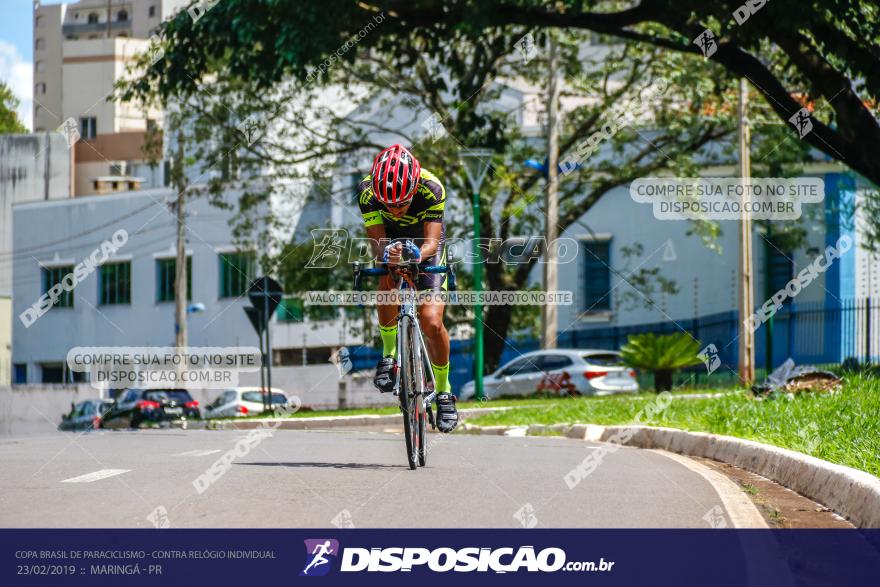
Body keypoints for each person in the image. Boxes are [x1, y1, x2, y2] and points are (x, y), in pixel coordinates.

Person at [357, 144, 458, 433]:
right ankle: (389, 355)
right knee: (386, 283)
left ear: (413, 188)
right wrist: (389, 256)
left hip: (424, 245)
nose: (395, 210)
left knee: (431, 320)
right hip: (391, 242)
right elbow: (377, 243)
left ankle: (443, 391)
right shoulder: (366, 193)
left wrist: (416, 256)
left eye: (401, 204)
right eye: (387, 205)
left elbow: (432, 243)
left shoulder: (431, 188)